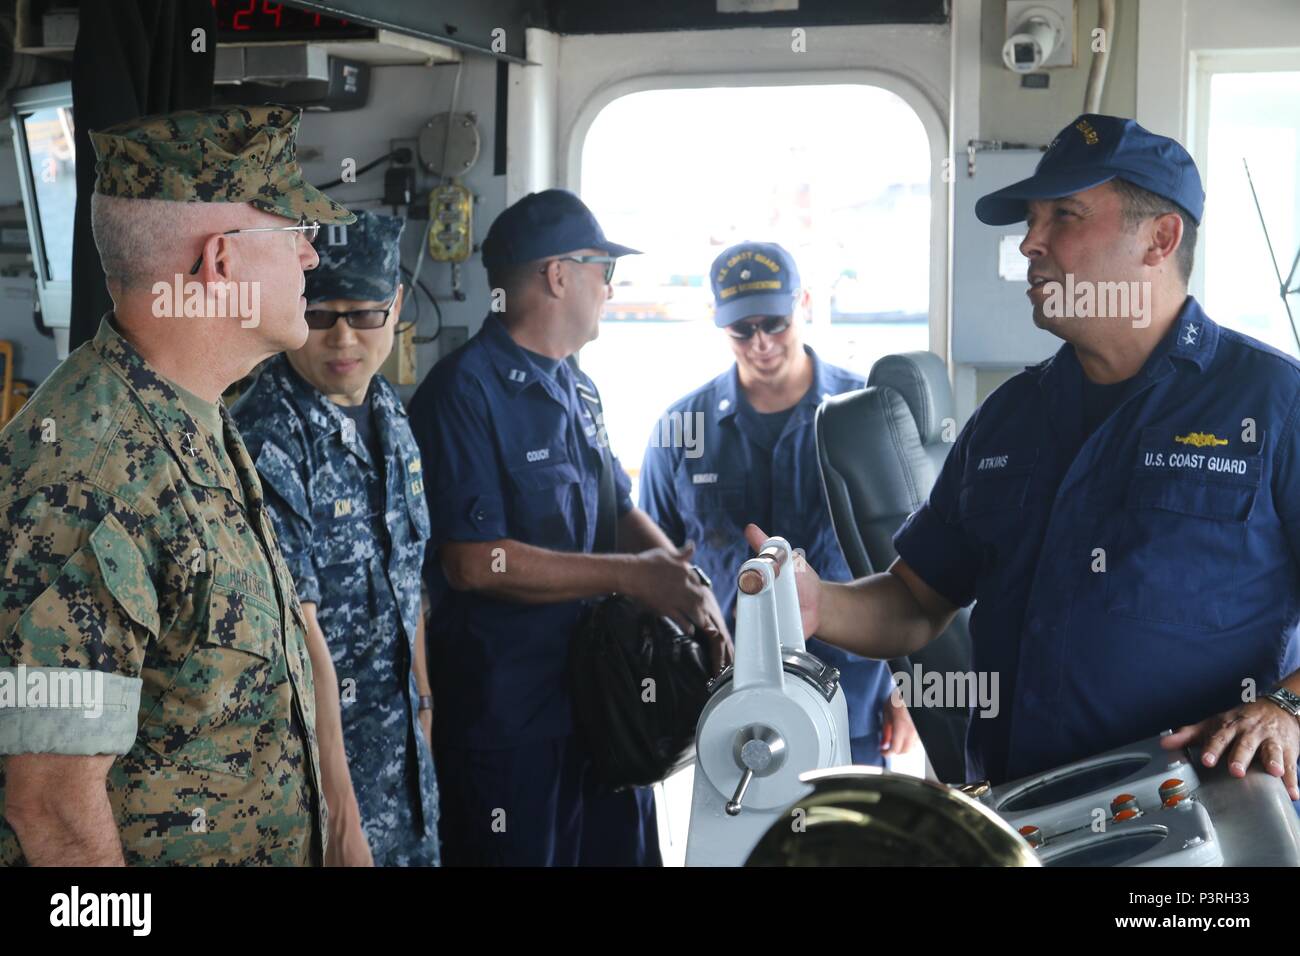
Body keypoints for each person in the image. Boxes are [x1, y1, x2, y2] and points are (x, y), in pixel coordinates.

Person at [752, 113, 1300, 799]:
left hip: (1199, 830)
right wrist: (817, 604)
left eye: (1063, 216)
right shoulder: (1010, 417)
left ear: (1160, 239)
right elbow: (916, 601)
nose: (1029, 244)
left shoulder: (1275, 403)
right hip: (1024, 820)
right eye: (1030, 221)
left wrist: (1287, 709)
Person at [0, 104, 354, 865]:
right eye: (294, 231)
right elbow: (50, 806)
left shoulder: (194, 417)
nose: (312, 259)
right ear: (221, 262)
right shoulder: (87, 469)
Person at [409, 189, 733, 866]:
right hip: (511, 718)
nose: (610, 288)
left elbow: (616, 509)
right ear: (557, 276)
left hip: (602, 705)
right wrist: (634, 579)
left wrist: (684, 585)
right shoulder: (462, 394)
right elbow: (473, 562)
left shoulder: (577, 386)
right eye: (600, 268)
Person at [640, 240, 915, 767]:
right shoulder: (681, 431)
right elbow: (658, 571)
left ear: (803, 304)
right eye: (742, 329)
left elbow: (921, 564)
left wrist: (910, 692)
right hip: (724, 704)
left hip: (853, 700)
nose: (761, 342)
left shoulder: (867, 419)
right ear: (717, 322)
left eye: (775, 323)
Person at [232, 210, 439, 866]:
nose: (343, 337)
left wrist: (425, 707)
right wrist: (341, 820)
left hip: (401, 768)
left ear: (396, 306)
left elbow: (411, 580)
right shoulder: (267, 434)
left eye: (365, 314)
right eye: (320, 315)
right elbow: (301, 635)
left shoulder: (388, 414)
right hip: (316, 788)